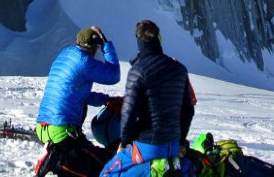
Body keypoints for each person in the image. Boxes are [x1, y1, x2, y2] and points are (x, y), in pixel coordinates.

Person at [100, 20, 195, 176]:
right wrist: (180, 141)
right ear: (159, 39)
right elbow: (188, 110)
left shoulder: (137, 72)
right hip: (173, 145)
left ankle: (154, 170)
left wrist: (124, 144)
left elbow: (128, 114)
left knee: (107, 172)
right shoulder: (180, 70)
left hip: (149, 146)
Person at [35, 26, 121, 177]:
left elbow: (77, 94)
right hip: (62, 130)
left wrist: (105, 100)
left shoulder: (64, 54)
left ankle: (56, 153)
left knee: (81, 158)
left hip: (43, 127)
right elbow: (114, 75)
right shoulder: (84, 61)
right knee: (99, 166)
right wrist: (106, 44)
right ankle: (54, 159)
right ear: (94, 48)